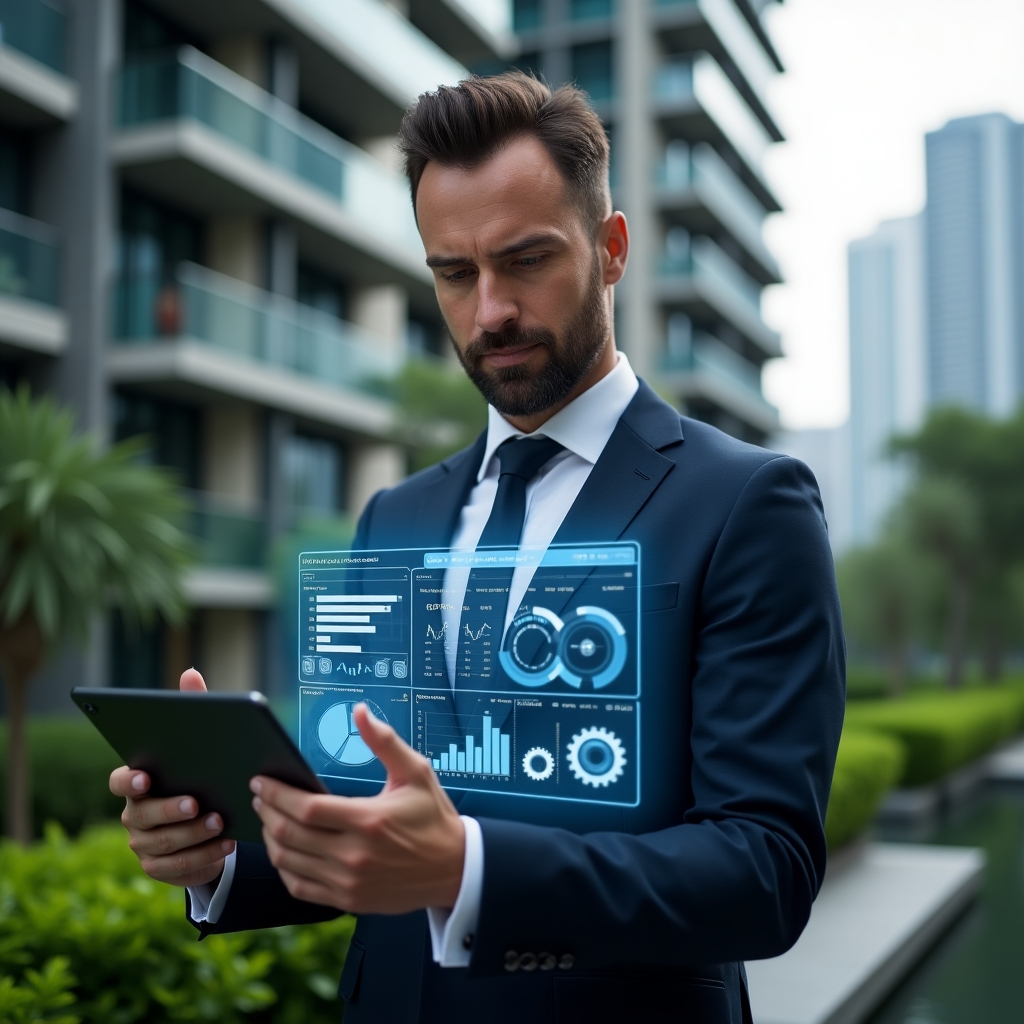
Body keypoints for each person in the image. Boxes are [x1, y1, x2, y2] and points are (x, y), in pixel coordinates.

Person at [110, 73, 844, 1024]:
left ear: (612, 249)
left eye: (525, 259)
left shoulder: (750, 503)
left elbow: (764, 868)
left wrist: (467, 868)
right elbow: (368, 817)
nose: (490, 309)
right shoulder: (393, 518)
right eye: (454, 273)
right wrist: (218, 859)